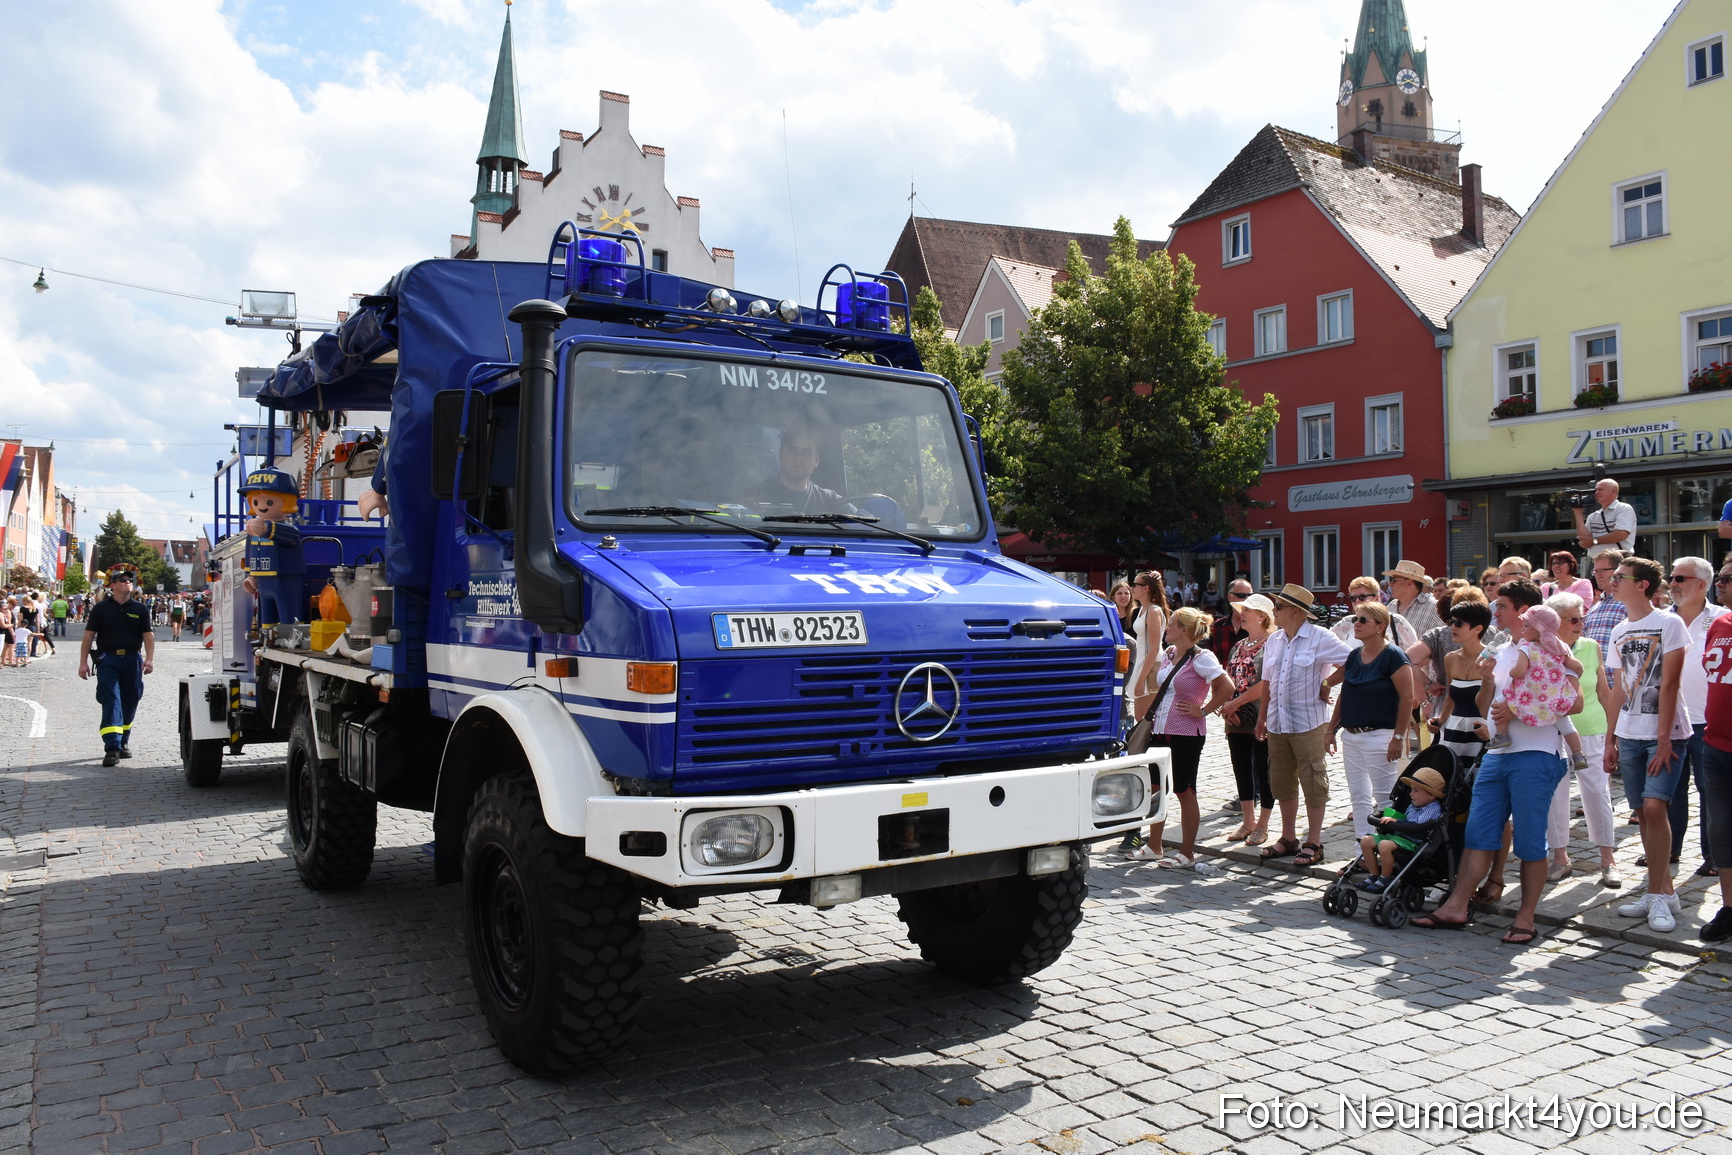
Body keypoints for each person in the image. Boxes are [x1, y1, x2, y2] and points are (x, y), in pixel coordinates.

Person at [1413, 576, 1571, 944]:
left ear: (1525, 614)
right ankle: (1456, 904)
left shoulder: (1551, 650)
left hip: (1536, 753)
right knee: (1478, 833)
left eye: (1500, 605)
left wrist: (1519, 711)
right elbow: (1485, 707)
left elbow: (1573, 700)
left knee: (1531, 841)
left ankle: (1526, 916)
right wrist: (1486, 686)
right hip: (1498, 754)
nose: (1494, 610)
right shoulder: (1499, 654)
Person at [1605, 557, 1692, 934]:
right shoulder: (1620, 629)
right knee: (1642, 812)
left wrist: (1662, 739)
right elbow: (1619, 688)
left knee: (1656, 808)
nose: (1612, 582)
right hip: (1628, 734)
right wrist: (1609, 739)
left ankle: (1657, 894)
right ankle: (1662, 890)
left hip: (1665, 734)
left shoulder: (1669, 622)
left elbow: (1670, 684)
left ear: (1641, 584)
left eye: (1619, 577)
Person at [1253, 584, 1354, 869]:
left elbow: (1353, 662)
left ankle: (1313, 841)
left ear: (1296, 612)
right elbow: (1267, 681)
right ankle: (1288, 838)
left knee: (1313, 780)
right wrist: (1262, 717)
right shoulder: (1275, 640)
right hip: (1277, 721)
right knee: (1281, 781)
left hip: (1309, 722)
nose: (1274, 611)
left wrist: (1327, 683)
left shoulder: (1320, 637)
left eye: (1279, 607)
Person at [1127, 607, 1234, 868]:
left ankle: (1187, 852)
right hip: (1161, 729)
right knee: (1154, 789)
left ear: (1184, 630)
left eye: (1171, 624)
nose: (1166, 628)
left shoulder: (1202, 657)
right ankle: (1154, 845)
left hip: (1186, 732)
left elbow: (1227, 687)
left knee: (1184, 790)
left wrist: (1204, 709)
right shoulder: (1170, 654)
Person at [1543, 591, 1620, 889]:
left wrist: (1613, 732)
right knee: (1556, 795)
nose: (1580, 624)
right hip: (1554, 731)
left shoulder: (1590, 647)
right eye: (1573, 619)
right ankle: (1560, 858)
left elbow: (1603, 691)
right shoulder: (1541, 649)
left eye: (1582, 618)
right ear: (1554, 622)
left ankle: (1607, 859)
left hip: (1593, 728)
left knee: (1598, 793)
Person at [1328, 601, 1416, 841]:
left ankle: (1388, 850)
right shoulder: (1355, 655)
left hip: (1380, 735)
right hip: (1352, 735)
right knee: (1358, 797)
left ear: (1380, 626)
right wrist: (1330, 730)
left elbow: (1407, 698)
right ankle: (1363, 851)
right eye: (1355, 619)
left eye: (1363, 620)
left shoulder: (1394, 656)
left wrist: (1398, 737)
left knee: (1386, 797)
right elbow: (1346, 693)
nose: (1356, 624)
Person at [78, 565, 156, 767]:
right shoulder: (101, 608)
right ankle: (112, 748)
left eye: (130, 580)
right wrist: (83, 663)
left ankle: (123, 741)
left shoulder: (140, 609)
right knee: (111, 698)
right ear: (112, 585)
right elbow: (89, 636)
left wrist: (149, 659)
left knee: (130, 700)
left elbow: (148, 635)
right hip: (108, 659)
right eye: (122, 580)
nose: (127, 582)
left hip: (132, 660)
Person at [1669, 557, 1718, 877]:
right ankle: (1668, 852)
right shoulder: (1660, 619)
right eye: (1670, 577)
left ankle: (1714, 856)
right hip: (1668, 722)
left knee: (1711, 793)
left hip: (1709, 723)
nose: (1672, 583)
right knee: (1669, 793)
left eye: (1680, 578)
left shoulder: (1724, 620)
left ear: (1702, 584)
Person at [1117, 571, 1170, 852]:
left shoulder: (1155, 611)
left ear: (1145, 588)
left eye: (1136, 585)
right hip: (1142, 669)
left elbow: (1153, 649)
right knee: (1139, 728)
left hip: (1150, 670)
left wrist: (1139, 678)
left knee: (1145, 730)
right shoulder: (1142, 609)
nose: (1132, 588)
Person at [1217, 593, 1276, 846]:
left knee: (1262, 768)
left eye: (1247, 610)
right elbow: (1229, 678)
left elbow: (1267, 683)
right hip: (1236, 717)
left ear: (1262, 616)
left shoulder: (1273, 643)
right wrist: (1227, 705)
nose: (1241, 613)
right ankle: (1247, 821)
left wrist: (1236, 703)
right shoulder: (1240, 645)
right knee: (1240, 766)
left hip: (1261, 715)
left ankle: (1263, 824)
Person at [1697, 561, 1732, 943]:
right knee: (1722, 832)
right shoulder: (1720, 626)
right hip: (1716, 743)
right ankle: (1729, 908)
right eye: (1718, 578)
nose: (1719, 584)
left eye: (1726, 579)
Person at [1355, 766, 1446, 892]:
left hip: (1414, 841)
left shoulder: (1433, 808)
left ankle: (1385, 878)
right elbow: (1404, 818)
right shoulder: (1413, 805)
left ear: (1431, 795)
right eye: (1411, 790)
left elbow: (1417, 825)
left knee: (1385, 845)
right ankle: (1373, 875)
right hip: (1399, 837)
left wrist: (1397, 822)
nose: (1411, 794)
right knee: (1366, 840)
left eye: (1416, 791)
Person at [240, 466, 306, 628]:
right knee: (266, 611)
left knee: (288, 609)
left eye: (269, 502)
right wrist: (250, 575)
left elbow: (290, 536)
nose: (261, 506)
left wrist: (266, 528)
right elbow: (250, 554)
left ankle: (291, 635)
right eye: (255, 501)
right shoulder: (253, 531)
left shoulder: (287, 529)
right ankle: (267, 634)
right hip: (263, 578)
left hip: (284, 577)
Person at [1427, 600, 1492, 762]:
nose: (1452, 627)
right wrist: (1439, 721)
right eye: (1451, 622)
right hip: (1454, 730)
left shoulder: (1493, 658)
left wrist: (1493, 729)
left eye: (1459, 623)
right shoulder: (1450, 659)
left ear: (1478, 628)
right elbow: (1451, 697)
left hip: (1482, 732)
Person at [750, 425, 855, 515]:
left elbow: (866, 523)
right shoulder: (755, 496)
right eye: (792, 451)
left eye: (806, 452)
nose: (798, 458)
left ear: (816, 460)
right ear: (781, 456)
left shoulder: (831, 501)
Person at [1332, 576, 1418, 650]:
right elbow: (1324, 645)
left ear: (1377, 598)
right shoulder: (1347, 622)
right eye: (1353, 598)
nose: (1357, 601)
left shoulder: (1396, 621)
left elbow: (1414, 656)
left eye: (1362, 597)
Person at [1573, 476, 1637, 560]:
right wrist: (1578, 513)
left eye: (1600, 490)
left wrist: (1594, 541)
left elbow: (1621, 535)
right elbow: (1584, 541)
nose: (1596, 493)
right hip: (1596, 563)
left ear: (1613, 492)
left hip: (1618, 561)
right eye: (1596, 490)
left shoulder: (1623, 508)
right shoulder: (1593, 516)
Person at [1384, 560, 1442, 637]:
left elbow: (1446, 642)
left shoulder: (1434, 608)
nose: (1390, 584)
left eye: (1394, 580)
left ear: (1409, 583)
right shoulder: (1391, 606)